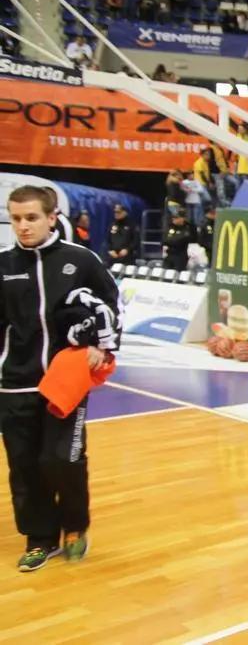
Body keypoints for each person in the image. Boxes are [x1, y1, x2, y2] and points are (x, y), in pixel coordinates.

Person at [0, 186, 121, 572]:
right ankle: (39, 538)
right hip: (13, 383)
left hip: (64, 380)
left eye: (31, 217)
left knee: (62, 459)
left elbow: (112, 307)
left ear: (52, 217)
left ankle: (74, 526)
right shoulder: (2, 265)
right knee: (24, 465)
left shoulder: (80, 261)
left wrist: (103, 347)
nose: (23, 226)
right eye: (16, 218)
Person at [162, 205, 195, 272]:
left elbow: (181, 240)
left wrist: (171, 241)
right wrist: (173, 240)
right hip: (169, 255)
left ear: (182, 218)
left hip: (180, 256)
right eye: (173, 217)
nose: (173, 219)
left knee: (178, 275)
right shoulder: (170, 226)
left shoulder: (188, 228)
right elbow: (164, 240)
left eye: (176, 217)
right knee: (165, 274)